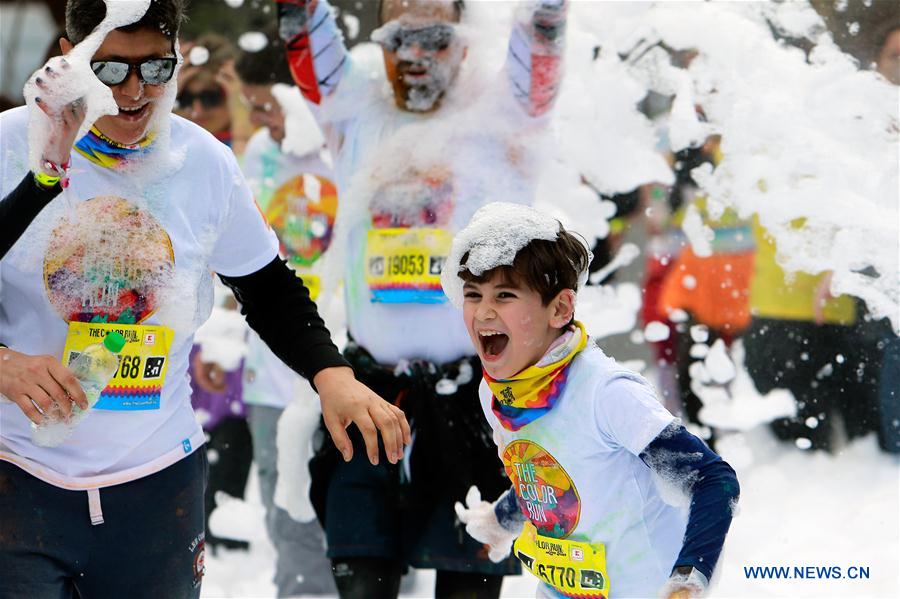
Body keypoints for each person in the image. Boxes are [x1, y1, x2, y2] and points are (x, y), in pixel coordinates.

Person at [0, 1, 408, 598]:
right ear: (71, 60)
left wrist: (331, 374)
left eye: (158, 69)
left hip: (155, 485)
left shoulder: (203, 163)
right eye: (112, 71)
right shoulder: (8, 147)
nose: (135, 92)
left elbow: (267, 288)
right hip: (19, 477)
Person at [276, 0, 568, 595]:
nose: (412, 54)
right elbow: (303, 27)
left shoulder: (505, 114)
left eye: (434, 38)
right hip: (371, 394)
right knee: (361, 585)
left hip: (476, 403)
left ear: (464, 42)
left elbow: (541, 36)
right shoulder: (353, 112)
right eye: (396, 39)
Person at [444, 203, 740, 599]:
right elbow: (556, 468)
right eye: (473, 295)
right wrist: (503, 520)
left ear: (560, 308)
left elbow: (713, 480)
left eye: (505, 295)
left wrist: (687, 580)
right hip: (561, 588)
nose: (483, 312)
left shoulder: (607, 393)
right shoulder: (496, 391)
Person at [232, 35, 340, 595]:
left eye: (268, 106)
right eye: (252, 108)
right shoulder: (258, 155)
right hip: (270, 364)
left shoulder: (342, 146)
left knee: (343, 511)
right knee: (283, 504)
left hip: (339, 363)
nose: (261, 121)